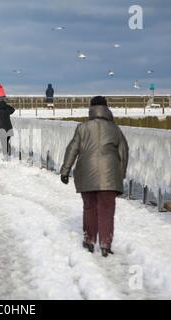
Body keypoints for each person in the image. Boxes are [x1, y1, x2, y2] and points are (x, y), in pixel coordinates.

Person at [60, 96, 129, 257]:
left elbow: (72, 149)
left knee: (89, 208)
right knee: (106, 210)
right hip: (109, 177)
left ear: (91, 108)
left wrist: (65, 171)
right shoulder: (115, 129)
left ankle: (89, 241)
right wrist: (120, 175)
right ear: (107, 108)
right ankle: (105, 244)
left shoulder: (82, 128)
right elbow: (124, 154)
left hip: (86, 175)